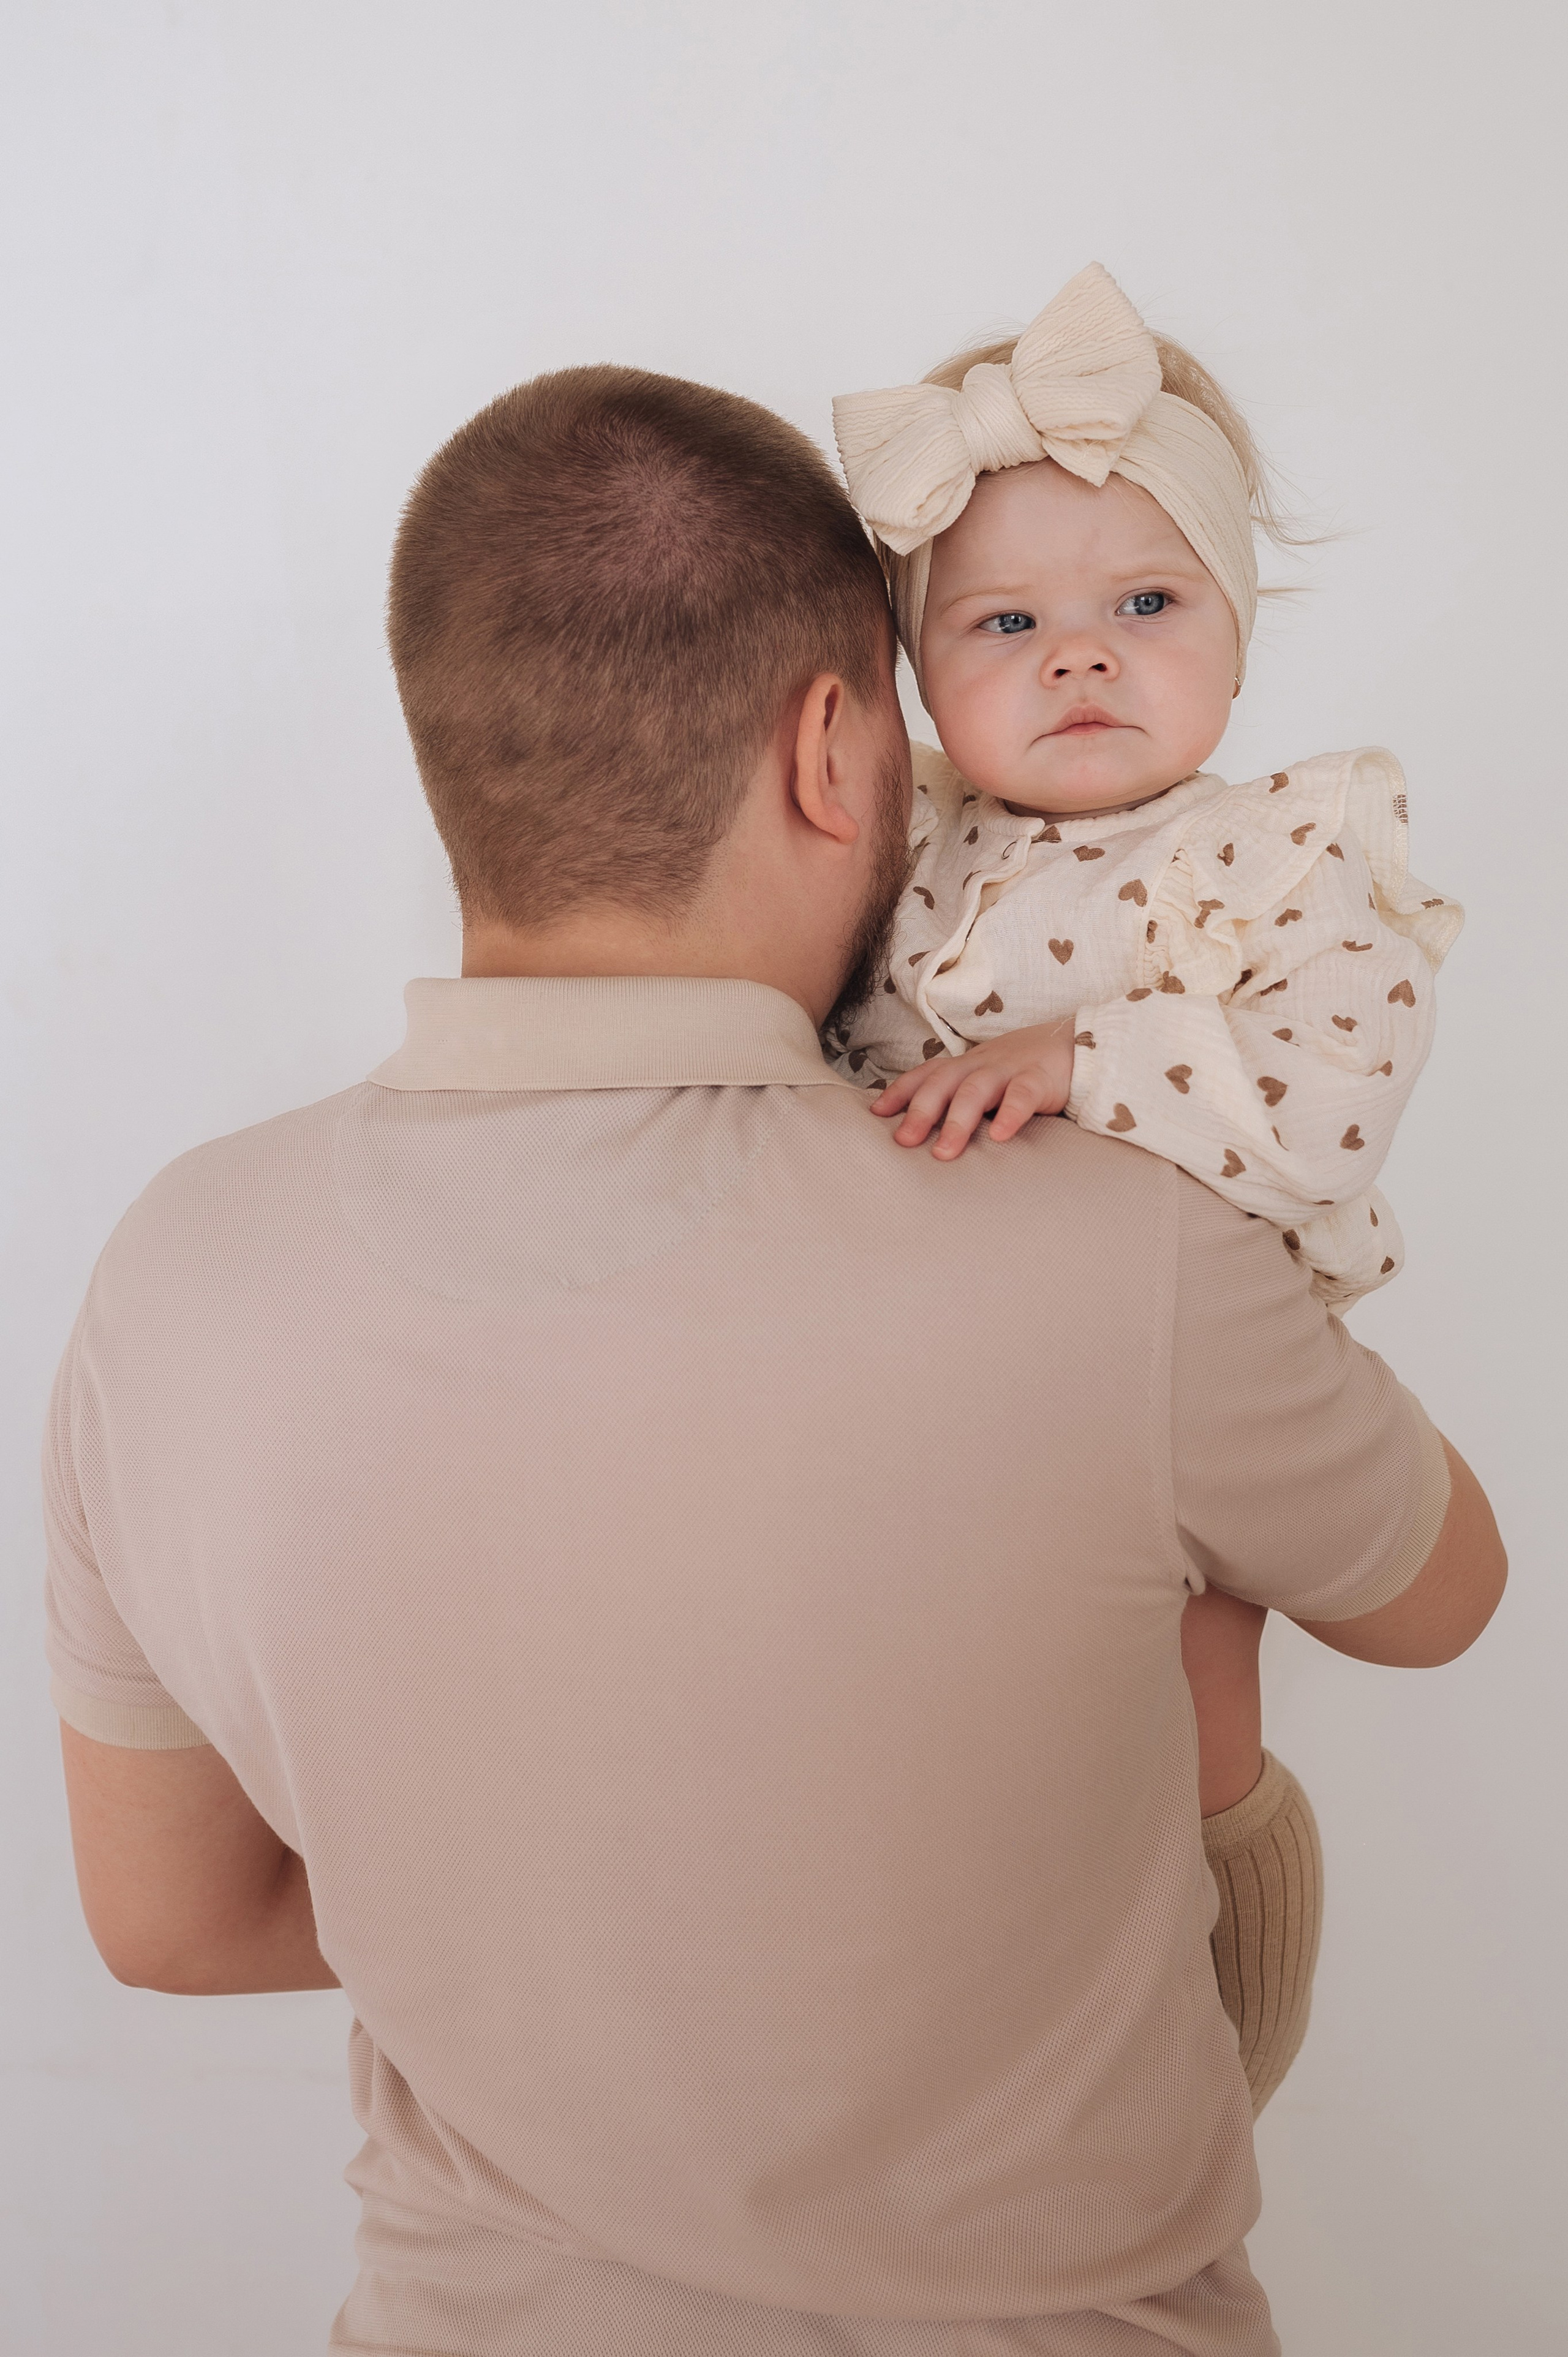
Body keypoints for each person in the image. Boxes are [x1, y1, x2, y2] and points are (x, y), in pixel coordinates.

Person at [45, 363, 1504, 2356]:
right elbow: (1445, 1599)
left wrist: (588, 1922)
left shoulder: (171, 1276)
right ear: (836, 752)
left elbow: (171, 1924)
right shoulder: (1118, 1240)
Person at [827, 262, 1464, 2108]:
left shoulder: (1274, 854)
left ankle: (1220, 2056)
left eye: (1146, 605)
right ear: (921, 672)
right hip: (946, 1358)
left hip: (1185, 1371)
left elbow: (1337, 1088)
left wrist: (1084, 1063)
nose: (1080, 656)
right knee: (962, 1714)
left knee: (1190, 1701)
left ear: (1238, 644)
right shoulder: (917, 838)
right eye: (1006, 620)